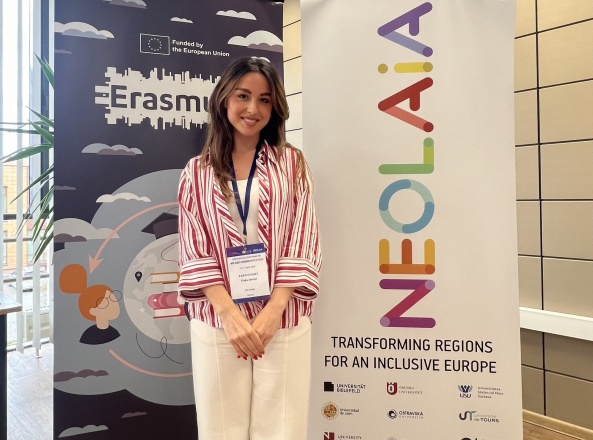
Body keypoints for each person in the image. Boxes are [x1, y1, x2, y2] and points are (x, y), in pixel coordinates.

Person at [177, 57, 321, 440]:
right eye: (243, 96)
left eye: (264, 99)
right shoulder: (196, 171)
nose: (253, 109)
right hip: (217, 318)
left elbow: (302, 235)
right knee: (220, 429)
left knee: (283, 429)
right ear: (224, 99)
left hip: (283, 317)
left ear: (275, 108)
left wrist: (274, 310)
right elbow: (195, 247)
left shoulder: (292, 164)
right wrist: (229, 315)